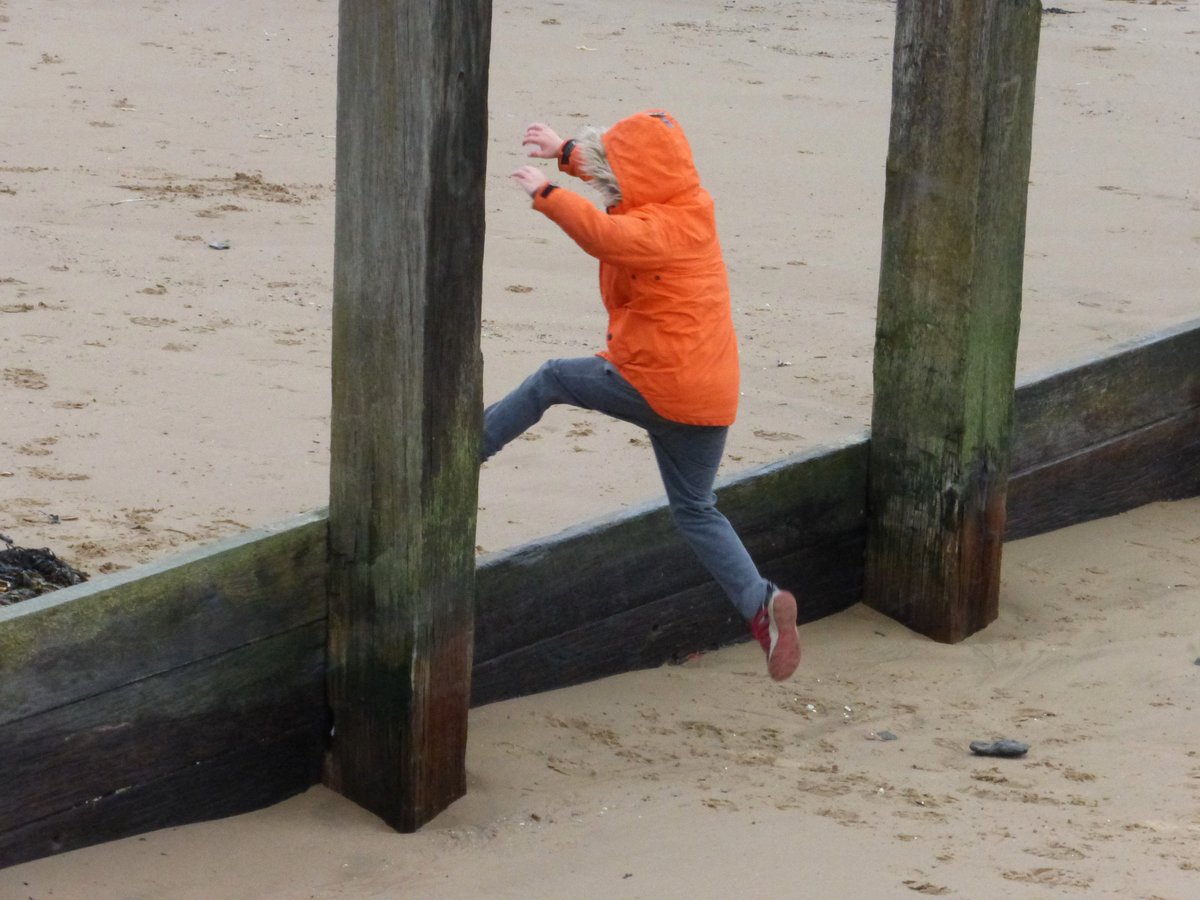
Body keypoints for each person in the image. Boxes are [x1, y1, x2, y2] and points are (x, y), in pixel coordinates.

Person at [487, 108, 801, 681]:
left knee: (554, 377)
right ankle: (762, 605)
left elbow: (605, 233)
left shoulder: (658, 230)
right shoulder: (689, 207)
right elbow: (626, 180)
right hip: (709, 398)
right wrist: (564, 150)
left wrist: (549, 192)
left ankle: (470, 445)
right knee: (696, 509)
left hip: (658, 381)